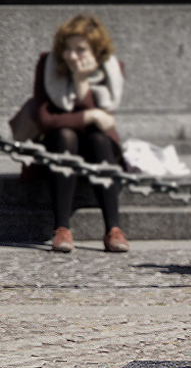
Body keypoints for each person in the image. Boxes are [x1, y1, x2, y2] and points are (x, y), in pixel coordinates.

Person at [31, 14, 129, 253]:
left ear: (96, 51)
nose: (72, 56)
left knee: (98, 137)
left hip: (96, 150)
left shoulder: (111, 71)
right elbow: (46, 120)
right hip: (56, 149)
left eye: (81, 50)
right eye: (68, 48)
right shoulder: (48, 65)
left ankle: (113, 229)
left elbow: (103, 124)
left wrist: (81, 81)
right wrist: (90, 115)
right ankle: (62, 228)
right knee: (65, 134)